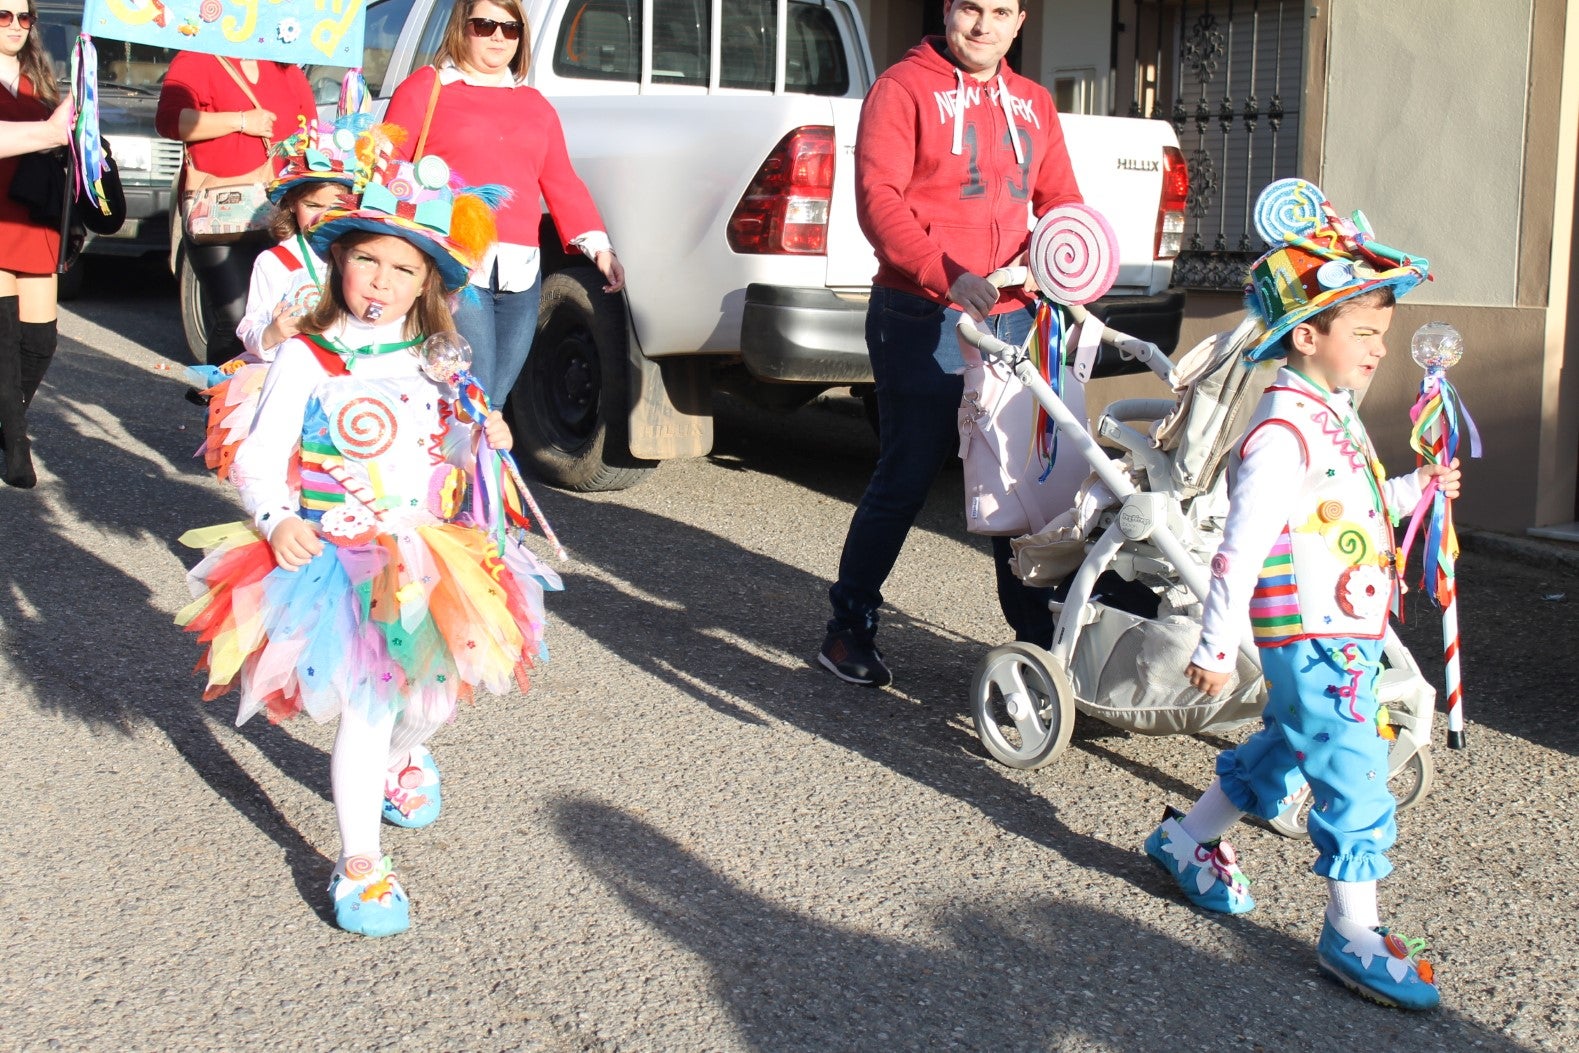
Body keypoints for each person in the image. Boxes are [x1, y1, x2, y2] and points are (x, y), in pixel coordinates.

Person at [175, 128, 558, 937]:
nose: (379, 280)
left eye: (403, 267)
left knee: (431, 699)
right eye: (366, 260)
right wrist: (276, 520)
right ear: (337, 260)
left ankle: (403, 760)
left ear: (427, 284)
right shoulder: (309, 358)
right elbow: (260, 455)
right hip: (337, 557)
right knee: (369, 703)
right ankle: (359, 864)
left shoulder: (439, 356)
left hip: (428, 551)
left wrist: (482, 439)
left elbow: (445, 446)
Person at [1141, 191, 1460, 1010]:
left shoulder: (1329, 415)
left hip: (1340, 625)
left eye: (1382, 337)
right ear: (1307, 334)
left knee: (1285, 741)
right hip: (1312, 631)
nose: (1379, 350)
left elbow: (1346, 514)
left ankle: (1186, 839)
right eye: (1363, 334)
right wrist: (1214, 644)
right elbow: (1240, 545)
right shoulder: (1284, 428)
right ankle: (1352, 929)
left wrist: (1416, 486)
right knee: (1352, 772)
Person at [817, 0, 1082, 687]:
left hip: (1015, 315)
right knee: (908, 473)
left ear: (1019, 21)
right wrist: (947, 275)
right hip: (921, 310)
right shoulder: (901, 89)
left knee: (1016, 478)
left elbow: (1060, 201)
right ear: (947, 10)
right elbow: (878, 200)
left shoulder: (1032, 102)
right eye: (971, 7)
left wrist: (1073, 260)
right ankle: (847, 625)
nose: (983, 24)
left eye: (1000, 11)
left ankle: (1035, 641)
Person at [382, 0, 623, 405]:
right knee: (471, 393)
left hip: (521, 272)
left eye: (510, 29)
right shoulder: (427, 86)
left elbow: (560, 179)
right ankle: (459, 466)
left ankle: (470, 465)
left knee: (492, 400)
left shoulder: (536, 106)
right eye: (485, 24)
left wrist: (599, 247)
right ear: (463, 27)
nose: (498, 36)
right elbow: (386, 170)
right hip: (452, 265)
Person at [190, 115, 363, 483]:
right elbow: (249, 325)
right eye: (311, 205)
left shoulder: (359, 259)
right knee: (288, 476)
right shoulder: (275, 261)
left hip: (345, 381)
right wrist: (272, 332)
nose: (321, 216)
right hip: (286, 379)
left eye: (335, 206)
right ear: (292, 206)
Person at [156, 51, 315, 369]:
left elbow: (310, 132)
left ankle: (259, 407)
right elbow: (169, 121)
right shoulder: (198, 59)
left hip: (278, 214)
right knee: (235, 317)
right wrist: (241, 121)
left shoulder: (286, 68)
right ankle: (221, 411)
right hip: (217, 215)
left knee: (279, 316)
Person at [0, 0, 67, 488]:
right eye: (4, 17)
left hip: (34, 216)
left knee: (39, 342)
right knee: (3, 342)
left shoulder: (41, 79)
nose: (17, 27)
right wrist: (47, 131)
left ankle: (6, 425)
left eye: (25, 18)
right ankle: (17, 447)